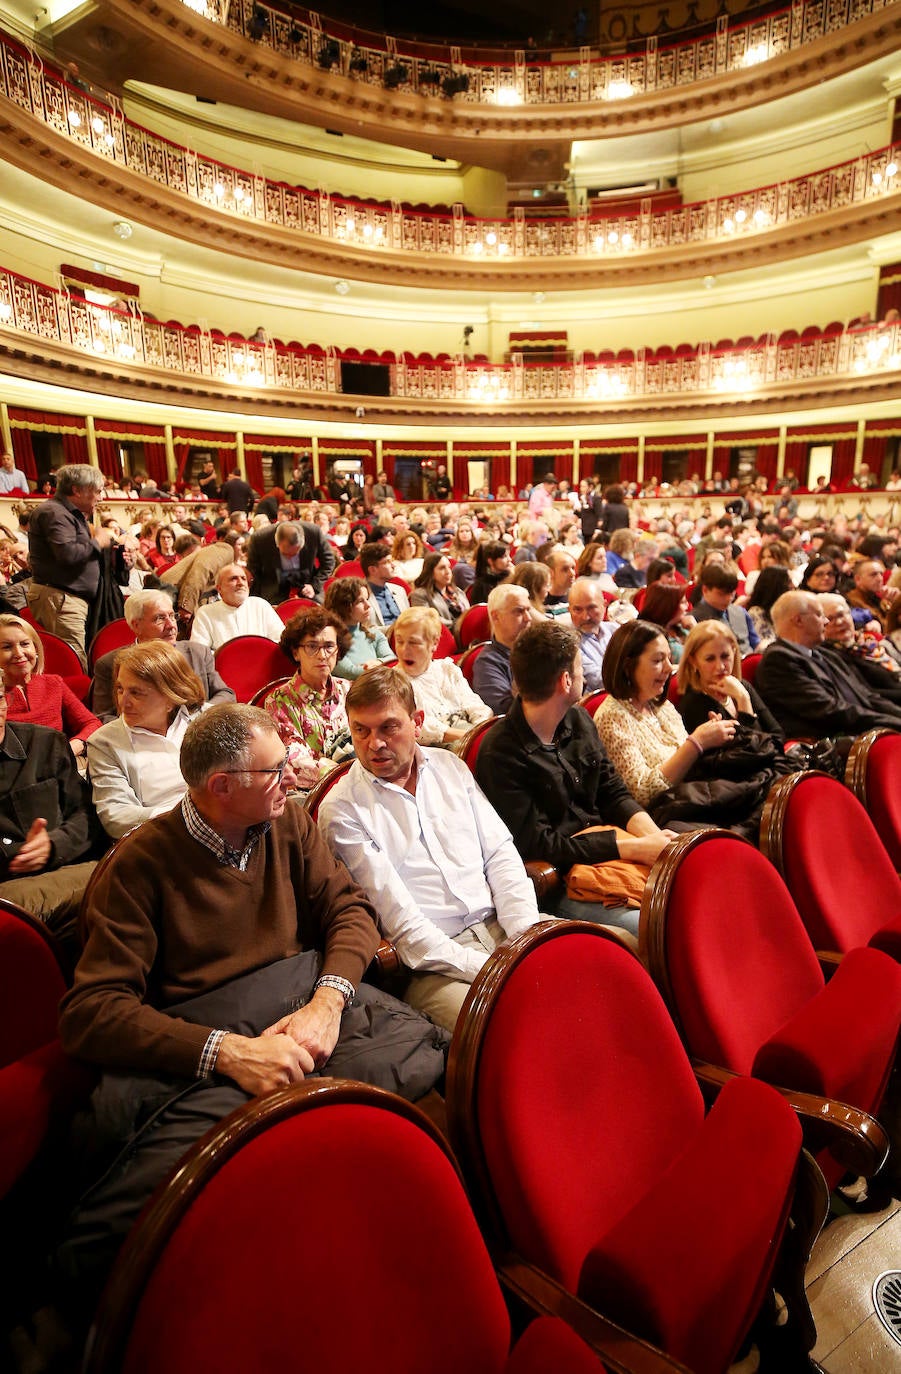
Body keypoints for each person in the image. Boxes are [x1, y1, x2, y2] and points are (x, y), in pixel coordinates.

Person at [56, 704, 446, 1318]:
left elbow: (350, 912)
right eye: (276, 770)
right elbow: (93, 1011)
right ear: (221, 787)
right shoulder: (140, 866)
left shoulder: (285, 821)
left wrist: (328, 1000)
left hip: (302, 1010)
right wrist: (228, 1053)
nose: (293, 778)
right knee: (151, 1218)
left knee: (432, 1077)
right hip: (207, 1041)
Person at [318, 666, 541, 1031]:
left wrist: (524, 939)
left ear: (416, 721)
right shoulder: (343, 810)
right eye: (361, 730)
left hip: (505, 925)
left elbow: (500, 853)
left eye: (388, 727)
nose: (374, 744)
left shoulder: (449, 766)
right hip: (435, 965)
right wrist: (498, 967)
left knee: (606, 958)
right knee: (513, 1022)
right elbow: (406, 929)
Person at [475, 621, 677, 936]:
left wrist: (659, 844)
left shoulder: (578, 719)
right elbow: (540, 844)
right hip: (560, 880)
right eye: (581, 667)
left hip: (613, 852)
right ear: (566, 680)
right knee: (655, 926)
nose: (584, 675)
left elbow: (613, 793)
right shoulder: (500, 753)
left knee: (690, 888)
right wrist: (636, 849)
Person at [594, 620, 736, 809]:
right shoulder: (612, 716)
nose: (669, 668)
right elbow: (642, 794)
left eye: (669, 658)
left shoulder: (661, 705)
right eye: (658, 660)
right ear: (628, 666)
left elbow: (689, 766)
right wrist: (697, 743)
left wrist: (711, 738)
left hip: (694, 800)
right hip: (662, 819)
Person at [87, 641, 206, 839]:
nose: (122, 702)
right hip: (162, 839)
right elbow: (117, 817)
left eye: (136, 693)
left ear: (171, 697)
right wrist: (189, 815)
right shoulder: (104, 742)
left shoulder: (204, 720)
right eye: (120, 689)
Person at [0, 679, 95, 926]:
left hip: (64, 872)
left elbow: (87, 816)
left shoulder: (45, 744)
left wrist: (52, 844)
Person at [755, 590, 901, 739]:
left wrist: (897, 716)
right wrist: (892, 723)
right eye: (820, 615)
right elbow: (830, 711)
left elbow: (867, 696)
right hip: (831, 742)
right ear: (798, 621)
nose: (825, 621)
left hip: (861, 730)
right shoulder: (778, 660)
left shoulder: (823, 653)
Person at [91, 589, 235, 721]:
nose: (171, 625)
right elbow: (103, 717)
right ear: (136, 625)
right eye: (159, 618)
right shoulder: (110, 663)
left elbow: (226, 694)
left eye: (172, 616)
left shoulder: (198, 653)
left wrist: (200, 714)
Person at [26, 463, 114, 670]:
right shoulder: (54, 512)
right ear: (76, 489)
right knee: (73, 662)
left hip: (68, 599)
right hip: (60, 599)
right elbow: (68, 554)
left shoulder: (70, 514)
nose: (101, 498)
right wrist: (98, 542)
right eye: (97, 491)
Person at [264, 608, 351, 790]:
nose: (322, 655)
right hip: (310, 794)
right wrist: (346, 774)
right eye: (312, 646)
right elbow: (295, 762)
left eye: (329, 646)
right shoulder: (279, 700)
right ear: (296, 652)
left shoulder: (349, 689)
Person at [0, 614, 100, 758]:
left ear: (36, 649)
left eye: (25, 644)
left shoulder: (53, 683)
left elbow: (92, 723)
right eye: (7, 647)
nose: (19, 653)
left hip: (60, 765)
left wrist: (69, 749)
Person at [394, 607, 491, 746]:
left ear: (434, 643)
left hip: (468, 734)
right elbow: (420, 729)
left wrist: (480, 732)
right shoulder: (395, 683)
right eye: (399, 641)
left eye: (413, 643)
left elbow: (473, 704)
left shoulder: (447, 670)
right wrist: (471, 738)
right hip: (436, 750)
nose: (404, 650)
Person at [676, 622, 783, 737]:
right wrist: (743, 701)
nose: (720, 667)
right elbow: (748, 751)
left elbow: (778, 735)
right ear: (693, 661)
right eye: (710, 659)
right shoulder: (693, 704)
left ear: (734, 651)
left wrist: (742, 696)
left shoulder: (742, 686)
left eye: (725, 656)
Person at [817, 592, 901, 703]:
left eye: (841, 615)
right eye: (830, 619)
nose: (839, 622)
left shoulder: (870, 642)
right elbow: (868, 694)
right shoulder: (831, 656)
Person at [190, 563, 285, 650]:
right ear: (219, 588)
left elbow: (281, 640)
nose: (240, 583)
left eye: (243, 578)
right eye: (233, 579)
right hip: (221, 667)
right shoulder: (206, 613)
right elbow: (199, 651)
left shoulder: (260, 605)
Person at [471, 583, 532, 715]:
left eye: (528, 610)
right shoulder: (487, 662)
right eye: (519, 611)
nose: (528, 618)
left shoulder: (538, 649)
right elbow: (507, 712)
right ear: (496, 616)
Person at [246, 519, 335, 604]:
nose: (290, 558)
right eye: (286, 554)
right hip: (274, 586)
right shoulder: (260, 539)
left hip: (308, 584)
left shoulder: (313, 533)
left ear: (303, 543)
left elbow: (329, 561)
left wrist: (314, 585)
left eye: (295, 553)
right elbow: (254, 571)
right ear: (277, 543)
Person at [324, 576, 394, 680]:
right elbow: (350, 673)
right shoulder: (330, 641)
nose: (368, 605)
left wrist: (378, 663)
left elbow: (392, 661)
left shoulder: (375, 635)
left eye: (367, 599)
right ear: (344, 606)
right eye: (360, 601)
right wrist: (382, 665)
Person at [692, 563, 759, 656]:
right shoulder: (694, 619)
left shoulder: (740, 612)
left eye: (732, 593)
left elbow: (756, 644)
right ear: (705, 590)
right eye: (721, 594)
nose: (728, 598)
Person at [568, 577, 616, 690]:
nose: (586, 617)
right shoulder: (569, 644)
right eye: (578, 610)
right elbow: (598, 681)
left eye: (591, 608)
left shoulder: (615, 630)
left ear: (604, 605)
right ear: (569, 610)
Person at [640, 583, 696, 663]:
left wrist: (695, 629)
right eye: (683, 602)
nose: (687, 606)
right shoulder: (651, 638)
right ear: (669, 606)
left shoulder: (682, 628)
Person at [409, 552, 468, 625]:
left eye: (449, 567)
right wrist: (458, 625)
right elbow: (428, 621)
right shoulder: (419, 595)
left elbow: (468, 613)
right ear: (430, 572)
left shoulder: (457, 591)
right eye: (442, 568)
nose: (448, 572)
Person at [744, 566, 794, 650]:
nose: (793, 585)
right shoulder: (757, 613)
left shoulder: (788, 610)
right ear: (776, 586)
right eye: (789, 582)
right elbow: (766, 646)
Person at [361, 543, 410, 627]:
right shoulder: (359, 595)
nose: (393, 566)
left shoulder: (399, 590)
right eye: (387, 562)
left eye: (392, 561)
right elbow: (363, 630)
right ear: (372, 570)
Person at [845, 558, 899, 630]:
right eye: (873, 575)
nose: (880, 579)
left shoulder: (881, 599)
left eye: (881, 574)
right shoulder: (850, 601)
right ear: (858, 579)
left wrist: (897, 602)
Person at [468, 540, 512, 605]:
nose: (509, 559)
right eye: (504, 557)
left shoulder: (511, 577)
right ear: (490, 561)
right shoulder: (481, 586)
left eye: (508, 555)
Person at [542, 547, 577, 611]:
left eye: (573, 568)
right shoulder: (541, 603)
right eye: (565, 569)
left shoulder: (578, 598)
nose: (572, 573)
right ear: (551, 572)